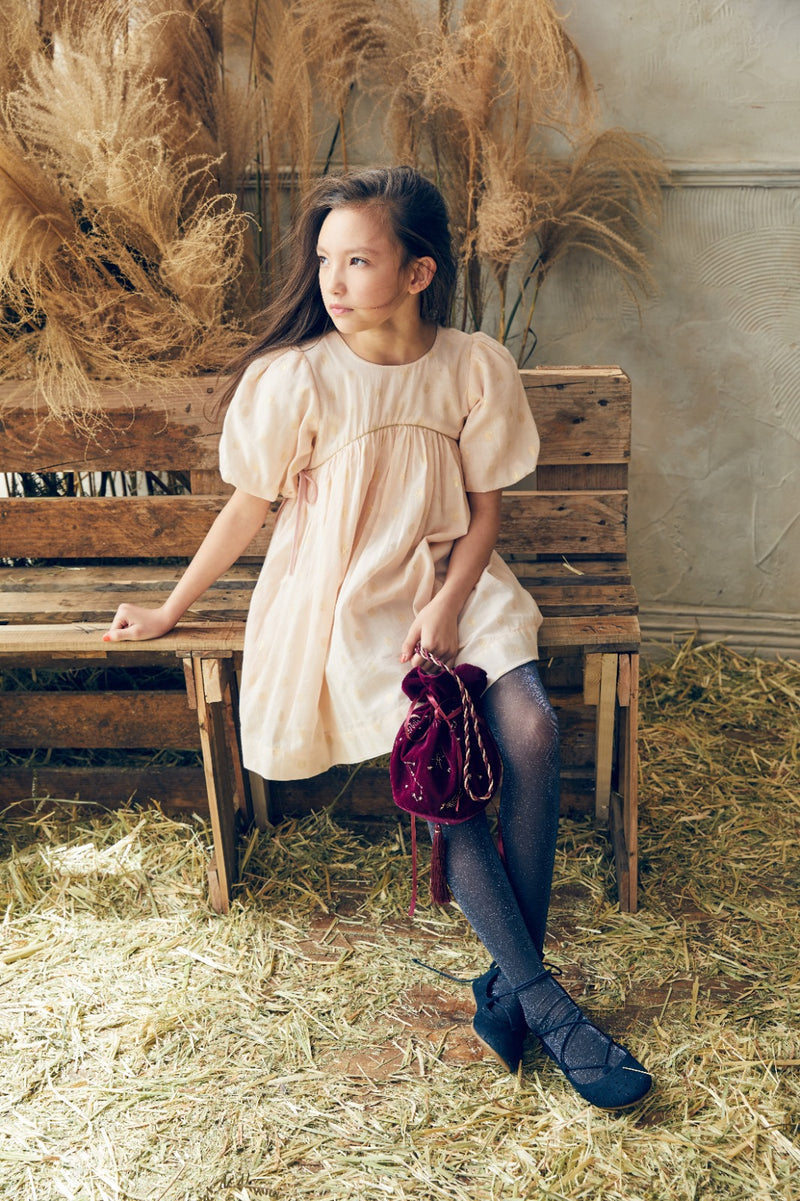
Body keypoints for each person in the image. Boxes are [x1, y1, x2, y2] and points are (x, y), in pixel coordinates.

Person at [104, 165, 652, 1110]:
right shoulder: (300, 377)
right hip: (350, 597)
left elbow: (484, 514)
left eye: (358, 260)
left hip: (457, 580)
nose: (333, 279)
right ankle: (548, 1005)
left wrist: (449, 603)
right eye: (325, 259)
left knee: (533, 730)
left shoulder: (472, 366)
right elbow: (247, 508)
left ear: (417, 272)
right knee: (442, 770)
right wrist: (168, 608)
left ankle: (511, 987)